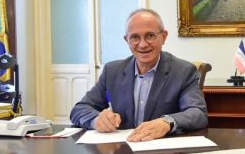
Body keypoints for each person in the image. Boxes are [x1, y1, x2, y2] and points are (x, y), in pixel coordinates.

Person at [70, 8, 207, 142]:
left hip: (162, 151)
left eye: (150, 36)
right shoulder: (112, 71)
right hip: (123, 150)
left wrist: (167, 122)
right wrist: (96, 120)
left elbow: (198, 113)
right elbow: (80, 109)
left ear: (164, 37)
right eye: (135, 37)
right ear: (127, 40)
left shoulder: (183, 71)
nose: (142, 44)